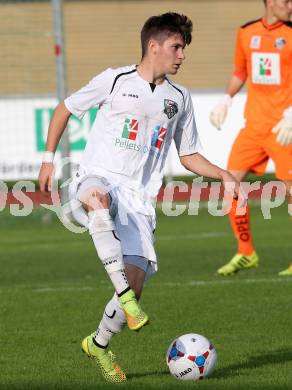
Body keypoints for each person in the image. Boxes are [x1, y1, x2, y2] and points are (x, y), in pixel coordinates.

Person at [39, 12, 243, 383]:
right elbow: (64, 109)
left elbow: (188, 154)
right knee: (97, 199)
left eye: (183, 49)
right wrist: (48, 159)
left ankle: (98, 343)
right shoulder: (114, 80)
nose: (182, 55)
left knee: (136, 279)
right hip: (98, 176)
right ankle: (126, 299)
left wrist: (223, 174)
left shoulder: (179, 98)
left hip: (138, 198)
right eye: (176, 47)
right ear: (154, 45)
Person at [210, 0, 292, 276]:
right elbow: (239, 72)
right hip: (253, 127)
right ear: (269, 2)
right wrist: (226, 99)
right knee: (229, 183)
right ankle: (246, 252)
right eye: (285, 1)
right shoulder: (246, 32)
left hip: (285, 127)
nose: (290, 6)